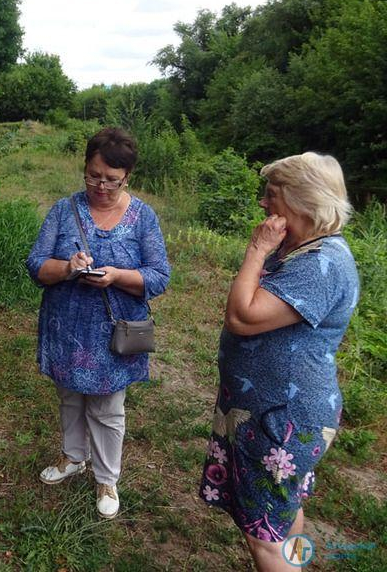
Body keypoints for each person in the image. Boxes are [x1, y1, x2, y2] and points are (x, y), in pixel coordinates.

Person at [199, 153, 359, 570]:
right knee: (284, 517)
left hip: (281, 420)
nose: (263, 204)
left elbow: (242, 316)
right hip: (268, 412)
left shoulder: (321, 263)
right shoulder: (302, 250)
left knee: (265, 539)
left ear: (304, 200)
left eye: (272, 195)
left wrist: (256, 248)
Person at [25, 127, 170, 519]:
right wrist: (68, 268)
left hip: (113, 331)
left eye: (111, 179)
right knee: (70, 395)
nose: (100, 186)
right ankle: (73, 457)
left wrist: (117, 275)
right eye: (93, 175)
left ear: (127, 177)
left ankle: (107, 476)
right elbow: (36, 265)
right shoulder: (63, 209)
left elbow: (159, 276)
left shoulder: (142, 217)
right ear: (85, 168)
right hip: (66, 325)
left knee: (107, 407)